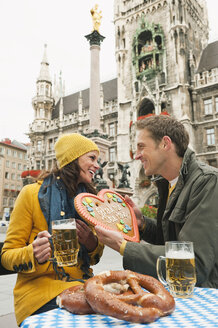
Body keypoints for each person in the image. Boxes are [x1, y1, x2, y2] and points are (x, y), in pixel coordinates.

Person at [95, 115, 218, 289]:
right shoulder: (168, 184)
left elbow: (194, 263)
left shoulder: (207, 182)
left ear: (165, 144)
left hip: (206, 299)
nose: (136, 156)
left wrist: (123, 246)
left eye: (141, 147)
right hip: (180, 291)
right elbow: (171, 240)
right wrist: (142, 224)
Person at [1, 133, 104, 326]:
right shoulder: (31, 194)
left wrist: (92, 243)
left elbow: (94, 258)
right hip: (38, 293)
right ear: (73, 158)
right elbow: (6, 256)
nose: (97, 165)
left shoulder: (88, 200)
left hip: (81, 287)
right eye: (92, 158)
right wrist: (33, 253)